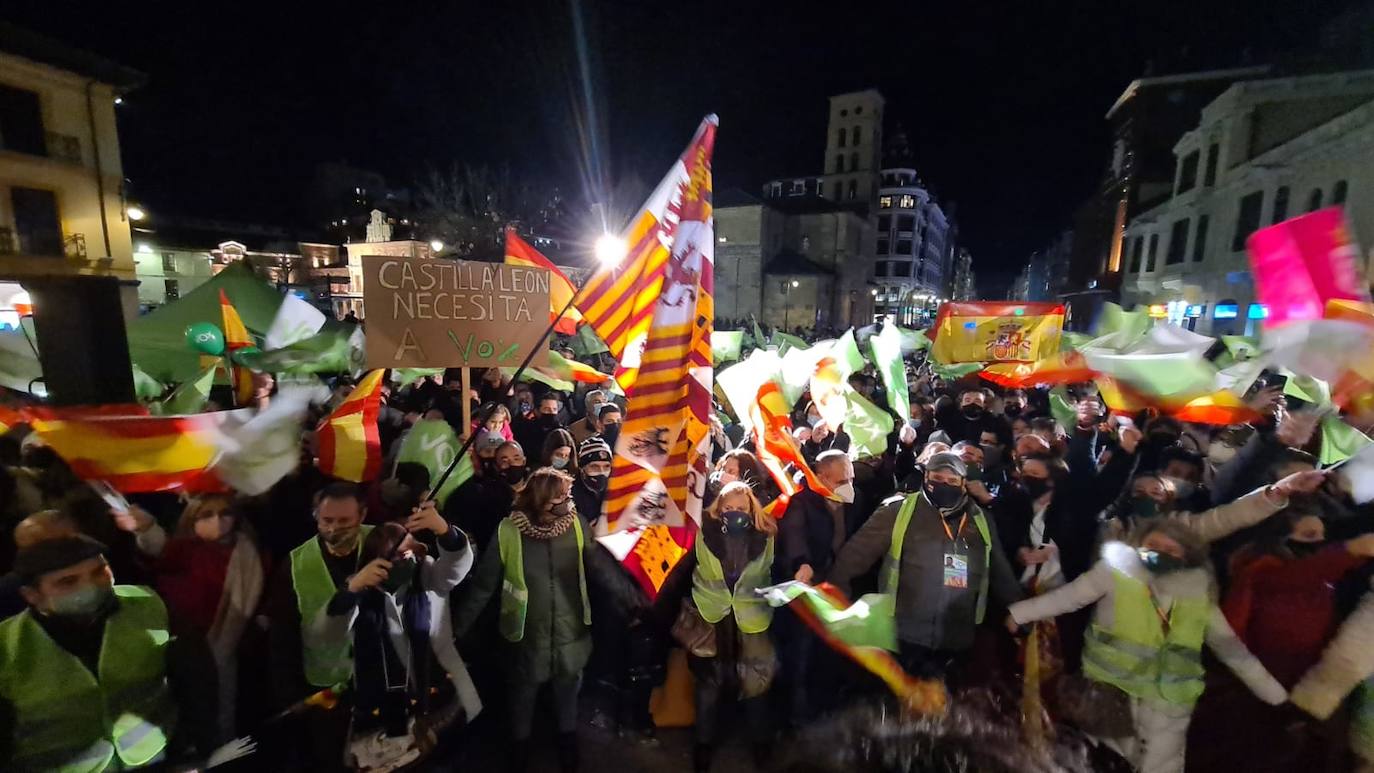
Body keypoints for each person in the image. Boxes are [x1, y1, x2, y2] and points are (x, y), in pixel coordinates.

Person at [1007, 520, 1287, 773]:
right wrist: (1020, 613)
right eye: (1153, 545)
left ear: (1186, 556)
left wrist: (1274, 694)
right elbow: (1069, 597)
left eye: (1171, 549)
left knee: (1162, 765)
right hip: (1112, 691)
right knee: (1102, 762)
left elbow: (1231, 649)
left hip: (1169, 700)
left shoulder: (1197, 594)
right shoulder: (1114, 574)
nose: (1160, 553)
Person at [0, 535, 217, 771]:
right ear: (33, 595)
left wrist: (199, 749)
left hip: (151, 760)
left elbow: (196, 681)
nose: (91, 586)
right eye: (68, 582)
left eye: (99, 571)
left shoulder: (147, 605)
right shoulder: (7, 645)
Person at [1185, 511, 1374, 772]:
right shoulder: (1260, 570)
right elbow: (1297, 576)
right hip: (1264, 690)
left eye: (1321, 535)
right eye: (1308, 535)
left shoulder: (1326, 581)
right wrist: (1350, 550)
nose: (1317, 542)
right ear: (1279, 537)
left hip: (1305, 686)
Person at [828, 452, 1021, 683]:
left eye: (951, 481)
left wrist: (1022, 611)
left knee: (944, 706)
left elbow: (1001, 573)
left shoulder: (980, 519)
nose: (943, 485)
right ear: (925, 477)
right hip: (904, 636)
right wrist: (836, 600)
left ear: (963, 483)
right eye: (937, 478)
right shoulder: (899, 511)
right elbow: (854, 556)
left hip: (958, 637)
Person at [452, 468, 595, 773]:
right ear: (541, 499)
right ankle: (520, 746)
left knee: (568, 690)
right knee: (522, 694)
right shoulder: (508, 531)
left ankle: (567, 740)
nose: (567, 502)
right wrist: (457, 630)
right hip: (526, 635)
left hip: (571, 630)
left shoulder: (578, 525)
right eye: (560, 496)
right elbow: (484, 587)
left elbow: (599, 570)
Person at [323, 504, 478, 771]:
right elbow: (332, 629)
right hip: (384, 708)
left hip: (437, 693)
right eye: (396, 558)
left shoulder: (426, 575)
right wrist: (353, 588)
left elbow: (454, 568)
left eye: (409, 554)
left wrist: (444, 530)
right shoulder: (362, 591)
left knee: (448, 756)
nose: (406, 562)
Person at [658, 482, 778, 772]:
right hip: (710, 617)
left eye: (740, 508)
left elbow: (777, 569)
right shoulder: (702, 533)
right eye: (728, 508)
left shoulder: (767, 534)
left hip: (751, 619)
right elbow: (679, 570)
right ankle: (703, 745)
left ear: (751, 508)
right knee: (708, 685)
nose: (734, 513)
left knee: (755, 683)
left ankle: (760, 743)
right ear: (718, 509)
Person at [267, 482, 374, 770]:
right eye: (327, 521)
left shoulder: (384, 543)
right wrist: (289, 695)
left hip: (379, 681)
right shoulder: (294, 564)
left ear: (362, 515)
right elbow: (283, 635)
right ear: (315, 516)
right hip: (326, 687)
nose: (334, 529)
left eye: (344, 521)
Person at [147, 494, 266, 742]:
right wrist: (146, 530)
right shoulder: (181, 551)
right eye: (207, 515)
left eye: (225, 513)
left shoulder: (249, 551)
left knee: (226, 707)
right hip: (189, 645)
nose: (218, 521)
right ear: (192, 519)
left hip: (233, 645)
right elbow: (156, 555)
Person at [446, 440, 527, 549]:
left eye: (516, 459)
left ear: (524, 461)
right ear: (496, 466)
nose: (511, 464)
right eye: (504, 460)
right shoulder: (486, 495)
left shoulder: (536, 489)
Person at [571, 437, 612, 526]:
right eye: (594, 466)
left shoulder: (616, 488)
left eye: (606, 466)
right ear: (582, 468)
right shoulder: (569, 494)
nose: (601, 472)